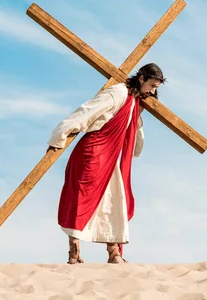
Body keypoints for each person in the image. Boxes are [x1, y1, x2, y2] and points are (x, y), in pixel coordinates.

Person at [46, 63, 165, 264]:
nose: (152, 91)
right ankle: (74, 254)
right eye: (152, 85)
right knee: (81, 198)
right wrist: (61, 134)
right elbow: (87, 111)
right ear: (142, 78)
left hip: (112, 157)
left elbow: (133, 127)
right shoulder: (118, 92)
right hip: (93, 152)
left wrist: (136, 147)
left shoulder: (134, 101)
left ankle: (114, 253)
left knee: (116, 201)